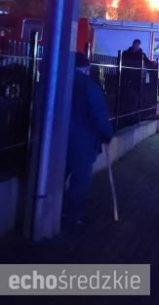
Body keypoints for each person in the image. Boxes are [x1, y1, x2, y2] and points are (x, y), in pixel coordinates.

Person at [64, 53, 114, 227]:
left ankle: (56, 210)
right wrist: (107, 134)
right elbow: (99, 116)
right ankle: (74, 217)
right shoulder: (89, 87)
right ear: (86, 68)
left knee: (58, 176)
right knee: (80, 180)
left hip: (58, 141)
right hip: (83, 142)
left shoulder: (59, 81)